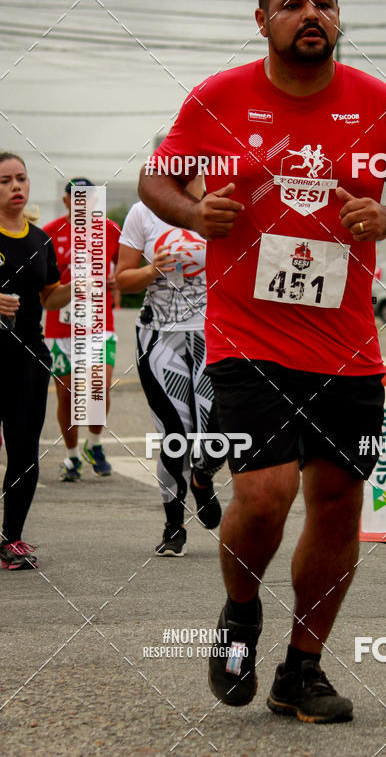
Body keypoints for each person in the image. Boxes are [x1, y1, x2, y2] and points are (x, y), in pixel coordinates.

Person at [138, 0, 386, 723]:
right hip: (247, 336)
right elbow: (158, 179)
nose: (309, 13)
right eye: (291, 3)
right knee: (265, 493)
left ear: (338, 18)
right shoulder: (217, 100)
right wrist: (191, 212)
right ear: (263, 21)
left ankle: (302, 670)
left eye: (323, 2)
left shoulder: (381, 108)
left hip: (346, 346)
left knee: (341, 503)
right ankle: (241, 612)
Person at [115, 176, 225, 557]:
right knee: (176, 435)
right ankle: (173, 525)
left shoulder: (223, 204)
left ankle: (203, 477)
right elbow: (122, 280)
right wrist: (150, 270)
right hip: (160, 337)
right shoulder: (143, 213)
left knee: (217, 435)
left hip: (214, 335)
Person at [0, 153, 71, 570]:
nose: (15, 187)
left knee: (24, 450)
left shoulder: (39, 240)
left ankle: (13, 540)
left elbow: (49, 295)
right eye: (6, 180)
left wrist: (78, 286)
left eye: (21, 179)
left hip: (28, 356)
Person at [43, 178, 121, 481]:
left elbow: (124, 265)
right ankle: (72, 456)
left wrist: (118, 281)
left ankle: (95, 444)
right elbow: (44, 285)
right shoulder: (49, 233)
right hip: (61, 327)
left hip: (100, 323)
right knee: (67, 396)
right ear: (66, 201)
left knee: (99, 385)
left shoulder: (111, 230)